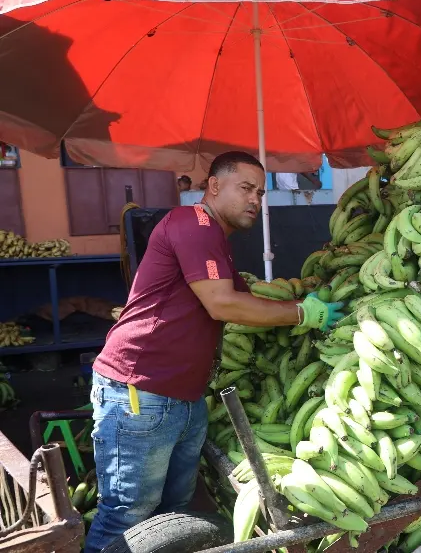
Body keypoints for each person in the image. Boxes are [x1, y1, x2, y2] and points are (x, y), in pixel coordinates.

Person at [85, 151, 343, 552]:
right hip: (141, 391)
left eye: (260, 192)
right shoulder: (193, 224)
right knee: (127, 517)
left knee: (172, 520)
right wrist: (303, 313)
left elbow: (247, 298)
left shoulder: (215, 239)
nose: (255, 199)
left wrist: (304, 296)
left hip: (184, 397)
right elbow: (223, 304)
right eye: (246, 188)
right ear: (215, 186)